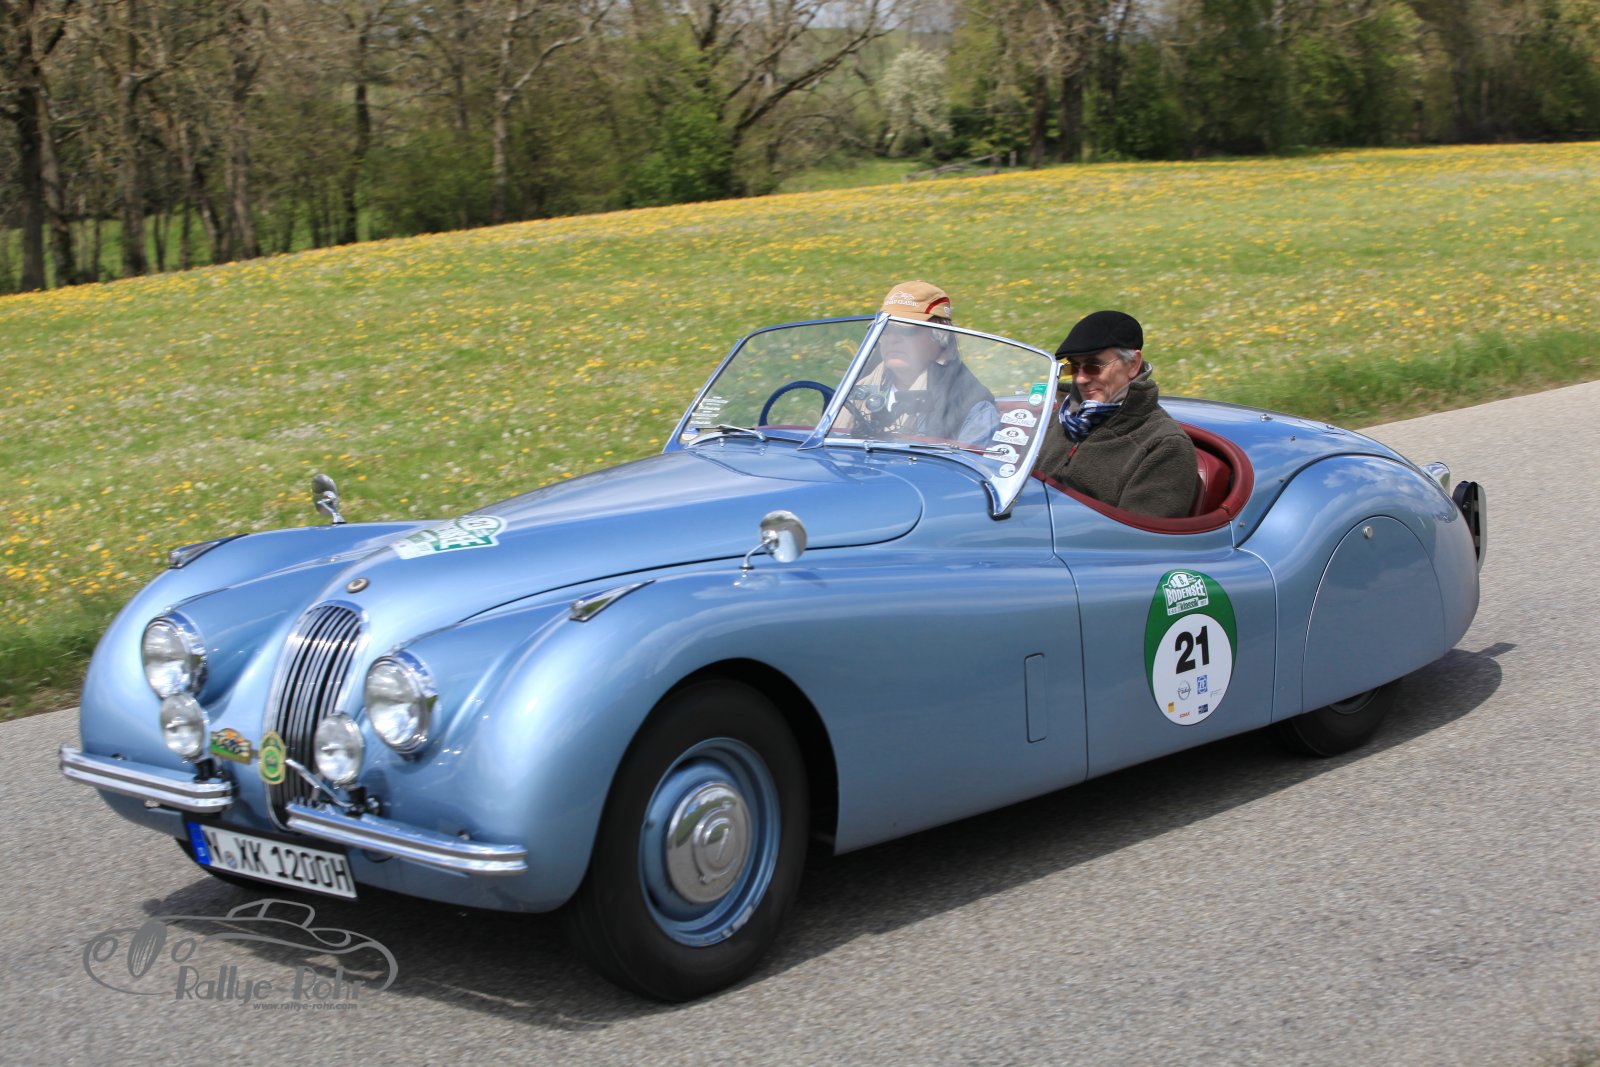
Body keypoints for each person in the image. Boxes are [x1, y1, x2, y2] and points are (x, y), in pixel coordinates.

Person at [1033, 310, 1197, 518]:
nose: (1081, 379)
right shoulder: (1057, 417)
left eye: (1093, 366)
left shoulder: (1165, 445)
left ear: (1133, 364)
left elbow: (1138, 534)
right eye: (1073, 367)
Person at [835, 282, 999, 446]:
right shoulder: (856, 391)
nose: (892, 339)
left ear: (940, 335)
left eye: (906, 330)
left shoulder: (972, 406)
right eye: (885, 330)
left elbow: (969, 462)